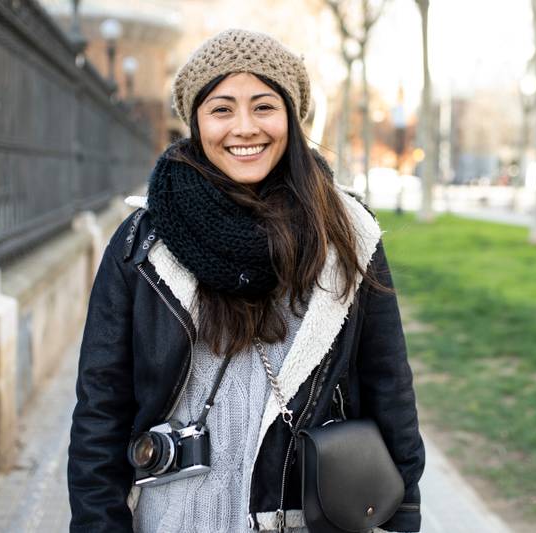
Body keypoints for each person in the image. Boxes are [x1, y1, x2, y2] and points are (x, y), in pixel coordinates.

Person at [67, 28, 425, 533]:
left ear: (291, 118)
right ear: (195, 121)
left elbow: (390, 389)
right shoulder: (143, 245)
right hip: (176, 520)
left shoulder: (347, 234)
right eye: (221, 109)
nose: (243, 128)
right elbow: (100, 411)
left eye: (263, 106)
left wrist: (403, 518)